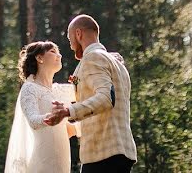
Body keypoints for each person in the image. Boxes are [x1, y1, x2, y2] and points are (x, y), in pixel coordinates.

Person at [45, 15, 137, 173]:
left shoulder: (93, 58)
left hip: (102, 154)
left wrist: (68, 111)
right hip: (121, 151)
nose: (71, 46)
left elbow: (106, 99)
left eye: (70, 39)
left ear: (78, 34)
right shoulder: (116, 63)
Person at [4, 41, 77, 172]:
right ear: (39, 58)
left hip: (62, 162)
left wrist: (110, 60)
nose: (59, 55)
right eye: (53, 52)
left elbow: (87, 90)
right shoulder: (29, 88)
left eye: (59, 52)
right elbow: (33, 120)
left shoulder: (60, 90)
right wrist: (51, 117)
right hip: (42, 162)